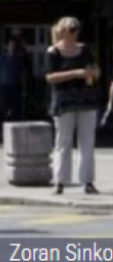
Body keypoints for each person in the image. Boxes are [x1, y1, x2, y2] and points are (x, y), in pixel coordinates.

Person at [45, 16, 101, 195]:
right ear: (62, 31)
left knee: (87, 142)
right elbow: (50, 77)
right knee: (63, 141)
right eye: (71, 29)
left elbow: (96, 70)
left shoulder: (84, 50)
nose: (74, 33)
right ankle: (60, 182)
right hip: (64, 101)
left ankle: (88, 182)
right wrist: (76, 73)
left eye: (76, 29)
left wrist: (94, 72)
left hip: (86, 100)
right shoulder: (54, 51)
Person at [0, 36, 29, 131]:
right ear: (7, 47)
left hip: (15, 87)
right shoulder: (1, 58)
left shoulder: (18, 60)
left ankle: (13, 129)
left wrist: (24, 89)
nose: (12, 47)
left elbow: (23, 76)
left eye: (14, 46)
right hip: (3, 87)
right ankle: (0, 130)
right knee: (2, 109)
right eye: (11, 45)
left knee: (15, 110)